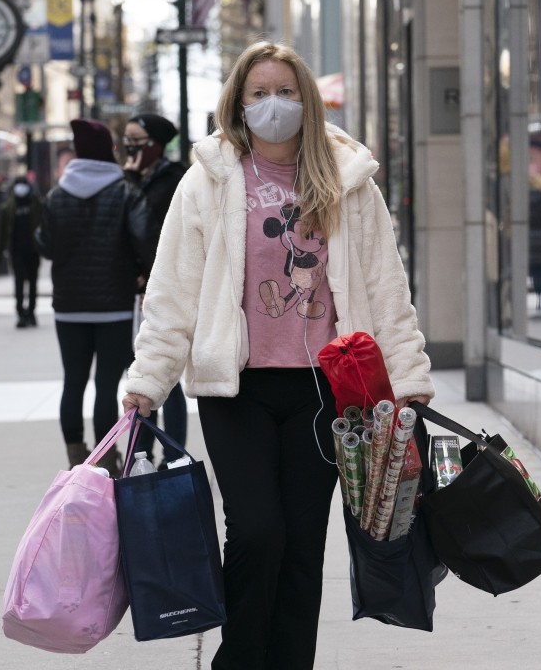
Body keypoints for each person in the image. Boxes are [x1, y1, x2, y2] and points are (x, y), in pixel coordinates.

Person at [122, 42, 434, 669]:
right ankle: (238, 660)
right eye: (260, 93)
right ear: (238, 102)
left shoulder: (347, 182)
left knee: (302, 545)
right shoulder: (208, 181)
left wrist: (407, 376)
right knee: (257, 532)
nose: (274, 105)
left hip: (324, 393)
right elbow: (173, 290)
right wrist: (147, 380)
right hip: (235, 388)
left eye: (286, 92)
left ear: (307, 100)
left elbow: (383, 285)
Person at [37, 119, 155, 472]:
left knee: (72, 382)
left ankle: (76, 455)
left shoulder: (57, 195)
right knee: (106, 384)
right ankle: (105, 458)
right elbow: (145, 239)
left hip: (68, 306)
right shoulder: (124, 191)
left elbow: (44, 243)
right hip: (114, 306)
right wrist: (138, 272)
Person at [123, 112, 189, 465]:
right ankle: (142, 454)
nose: (129, 146)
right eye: (126, 139)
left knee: (168, 376)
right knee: (142, 375)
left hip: (164, 288)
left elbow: (153, 235)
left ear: (156, 145)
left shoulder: (174, 180)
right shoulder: (137, 179)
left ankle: (173, 454)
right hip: (138, 290)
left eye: (136, 140)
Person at [0, 176, 43, 328]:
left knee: (32, 283)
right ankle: (20, 312)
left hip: (33, 250)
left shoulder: (36, 203)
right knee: (19, 283)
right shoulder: (9, 206)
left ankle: (31, 312)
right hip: (16, 251)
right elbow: (4, 230)